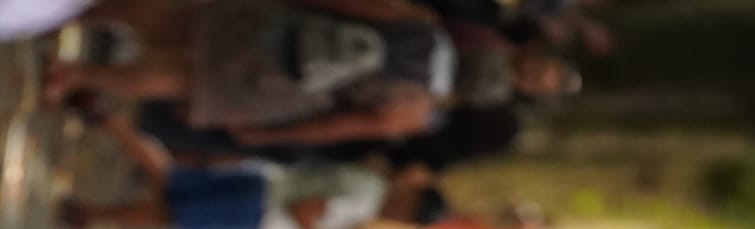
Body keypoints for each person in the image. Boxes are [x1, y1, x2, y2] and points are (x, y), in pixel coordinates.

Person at [44, 0, 530, 150]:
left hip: (283, 27)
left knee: (178, 23)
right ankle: (77, 74)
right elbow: (344, 125)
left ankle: (68, 14)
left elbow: (349, 1)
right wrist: (273, 133)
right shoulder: (416, 107)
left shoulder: (421, 23)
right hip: (288, 84)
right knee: (178, 77)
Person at [57, 112, 447, 229]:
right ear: (408, 205)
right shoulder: (365, 201)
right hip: (261, 208)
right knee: (171, 207)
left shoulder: (370, 183)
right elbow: (306, 211)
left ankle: (111, 128)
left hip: (264, 188)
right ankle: (91, 210)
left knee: (171, 189)